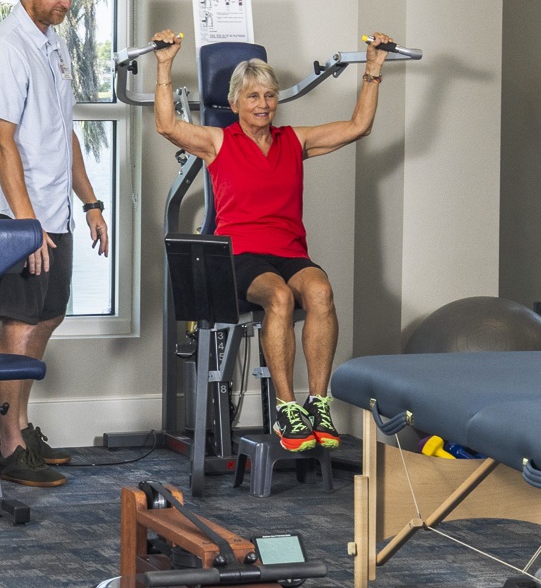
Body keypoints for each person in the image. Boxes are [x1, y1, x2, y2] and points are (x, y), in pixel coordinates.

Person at [149, 30, 390, 450]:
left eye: (269, 96)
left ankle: (317, 403)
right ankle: (287, 408)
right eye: (253, 96)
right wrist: (165, 63)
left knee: (320, 291)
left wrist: (373, 70)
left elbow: (358, 127)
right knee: (278, 297)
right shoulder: (219, 141)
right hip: (239, 256)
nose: (263, 104)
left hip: (290, 253)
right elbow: (167, 125)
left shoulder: (293, 140)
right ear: (235, 102)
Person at [0, 0, 110, 488]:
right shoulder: (7, 48)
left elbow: (62, 131)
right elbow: (2, 142)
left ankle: (22, 427)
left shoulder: (51, 44)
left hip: (54, 212)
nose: (67, 2)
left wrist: (91, 202)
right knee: (19, 323)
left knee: (48, 316)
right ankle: (6, 444)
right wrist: (27, 227)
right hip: (14, 218)